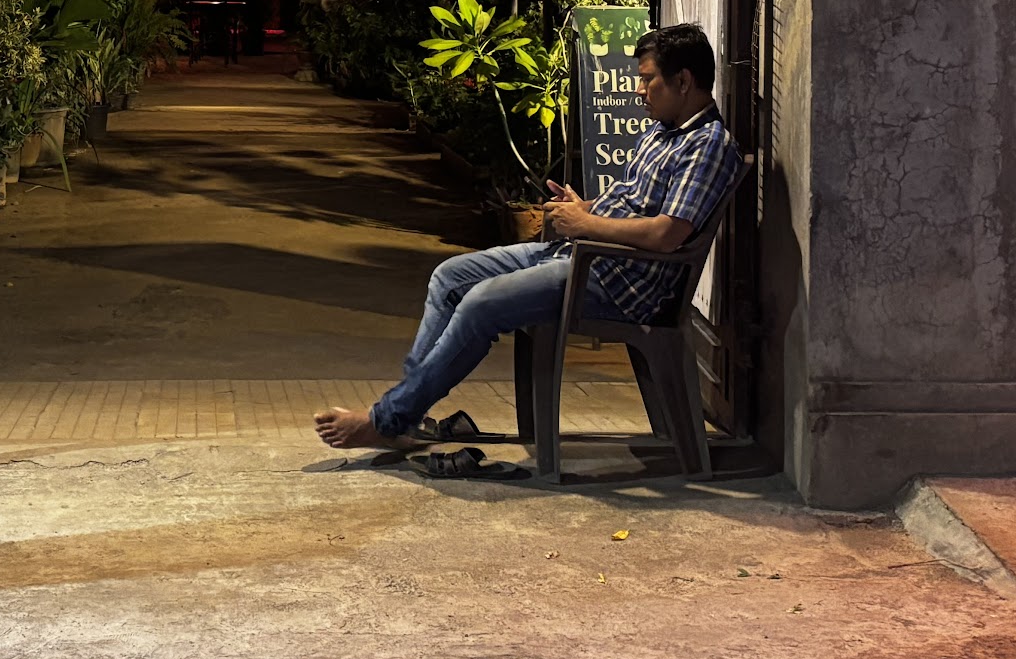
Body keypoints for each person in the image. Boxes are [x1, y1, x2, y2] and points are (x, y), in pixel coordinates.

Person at [314, 22, 744, 451]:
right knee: (450, 277)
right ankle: (404, 416)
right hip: (583, 254)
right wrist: (583, 208)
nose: (638, 90)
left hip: (618, 282)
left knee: (481, 304)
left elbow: (667, 234)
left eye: (648, 79)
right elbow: (634, 202)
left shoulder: (707, 145)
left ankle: (387, 419)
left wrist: (587, 225)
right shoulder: (662, 130)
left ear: (683, 81)